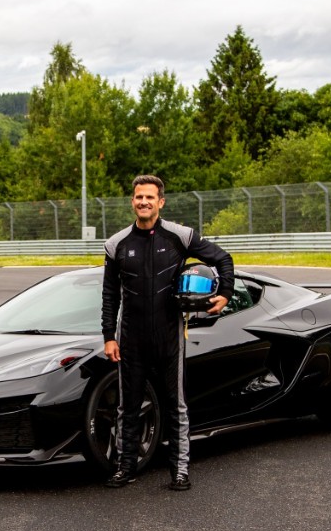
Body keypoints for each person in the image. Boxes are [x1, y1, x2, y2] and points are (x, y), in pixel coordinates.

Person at [100, 175, 234, 490]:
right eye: (138, 197)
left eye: (149, 197)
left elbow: (223, 259)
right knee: (127, 405)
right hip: (131, 337)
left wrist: (224, 294)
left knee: (177, 404)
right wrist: (109, 335)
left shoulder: (180, 236)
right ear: (132, 202)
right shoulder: (116, 244)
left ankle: (180, 471)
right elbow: (110, 296)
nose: (143, 202)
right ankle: (126, 467)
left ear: (161, 202)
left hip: (169, 335)